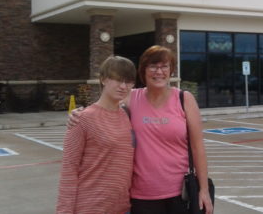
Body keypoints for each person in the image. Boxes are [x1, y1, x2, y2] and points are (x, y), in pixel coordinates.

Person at [70, 46, 213, 214]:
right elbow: (103, 106)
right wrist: (80, 112)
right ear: (143, 71)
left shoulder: (184, 99)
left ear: (171, 71)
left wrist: (203, 190)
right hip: (142, 195)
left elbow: (198, 148)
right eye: (152, 66)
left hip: (181, 194)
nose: (158, 71)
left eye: (164, 66)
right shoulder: (131, 97)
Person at [56, 55, 136, 214]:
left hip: (123, 208)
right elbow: (69, 170)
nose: (123, 86)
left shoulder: (128, 116)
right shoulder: (82, 119)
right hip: (91, 207)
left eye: (128, 81)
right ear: (104, 80)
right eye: (118, 79)